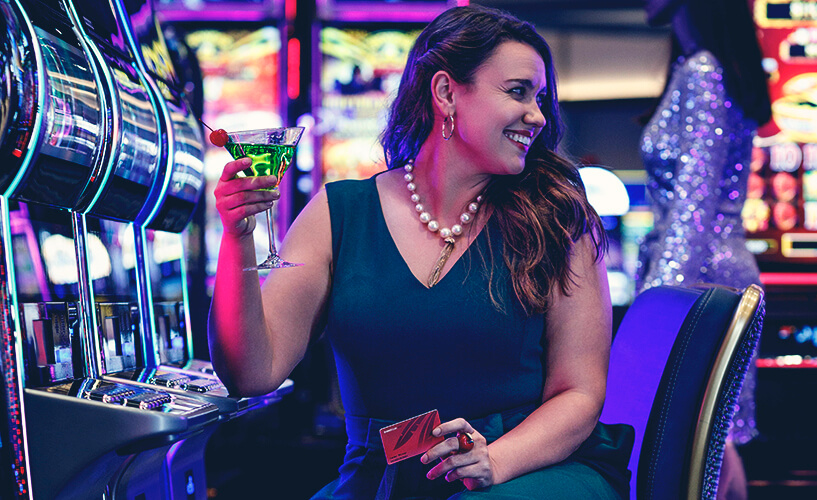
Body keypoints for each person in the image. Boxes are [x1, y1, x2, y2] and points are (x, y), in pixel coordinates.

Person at [208, 5, 633, 499]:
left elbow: (579, 395)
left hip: (530, 469)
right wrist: (238, 237)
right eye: (518, 92)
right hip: (386, 477)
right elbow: (252, 373)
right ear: (447, 93)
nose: (537, 115)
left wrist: (494, 459)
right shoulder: (340, 212)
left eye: (540, 98)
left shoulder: (557, 218)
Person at [635, 1, 771, 499]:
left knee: (704, 447)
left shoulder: (704, 69)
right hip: (711, 274)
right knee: (713, 443)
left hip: (700, 278)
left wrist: (653, 306)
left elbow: (694, 204)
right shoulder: (699, 65)